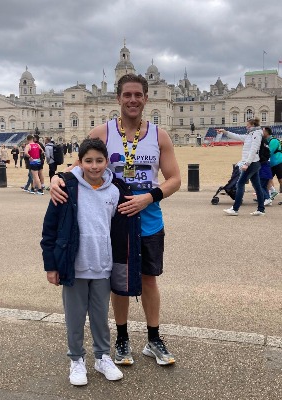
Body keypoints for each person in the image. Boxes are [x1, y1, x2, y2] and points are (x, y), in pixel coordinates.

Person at [50, 73, 181, 366]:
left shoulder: (159, 135)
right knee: (117, 280)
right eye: (127, 95)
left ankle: (153, 338)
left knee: (148, 279)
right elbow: (76, 168)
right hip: (112, 221)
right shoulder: (101, 133)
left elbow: (175, 180)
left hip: (148, 219)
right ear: (118, 98)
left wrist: (149, 197)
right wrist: (57, 180)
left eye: (138, 95)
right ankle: (122, 339)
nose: (133, 100)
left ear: (146, 98)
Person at [40, 138, 123, 385]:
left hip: (102, 265)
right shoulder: (66, 187)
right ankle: (76, 359)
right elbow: (50, 229)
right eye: (88, 161)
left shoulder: (114, 191)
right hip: (73, 265)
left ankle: (102, 356)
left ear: (107, 162)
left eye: (99, 161)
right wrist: (51, 265)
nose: (94, 166)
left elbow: (117, 230)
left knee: (100, 317)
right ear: (80, 162)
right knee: (74, 317)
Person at [217, 118, 265, 216]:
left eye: (248, 125)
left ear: (252, 125)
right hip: (253, 163)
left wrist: (246, 163)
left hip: (251, 163)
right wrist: (225, 132)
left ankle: (235, 209)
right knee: (257, 186)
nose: (246, 126)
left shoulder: (256, 134)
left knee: (240, 184)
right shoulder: (250, 134)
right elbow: (237, 136)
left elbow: (254, 149)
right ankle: (261, 209)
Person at [263, 126, 282, 200]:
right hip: (271, 164)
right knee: (268, 179)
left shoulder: (273, 140)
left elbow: (269, 152)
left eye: (263, 131)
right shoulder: (267, 140)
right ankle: (267, 197)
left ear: (266, 132)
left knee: (280, 180)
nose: (262, 132)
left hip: (278, 162)